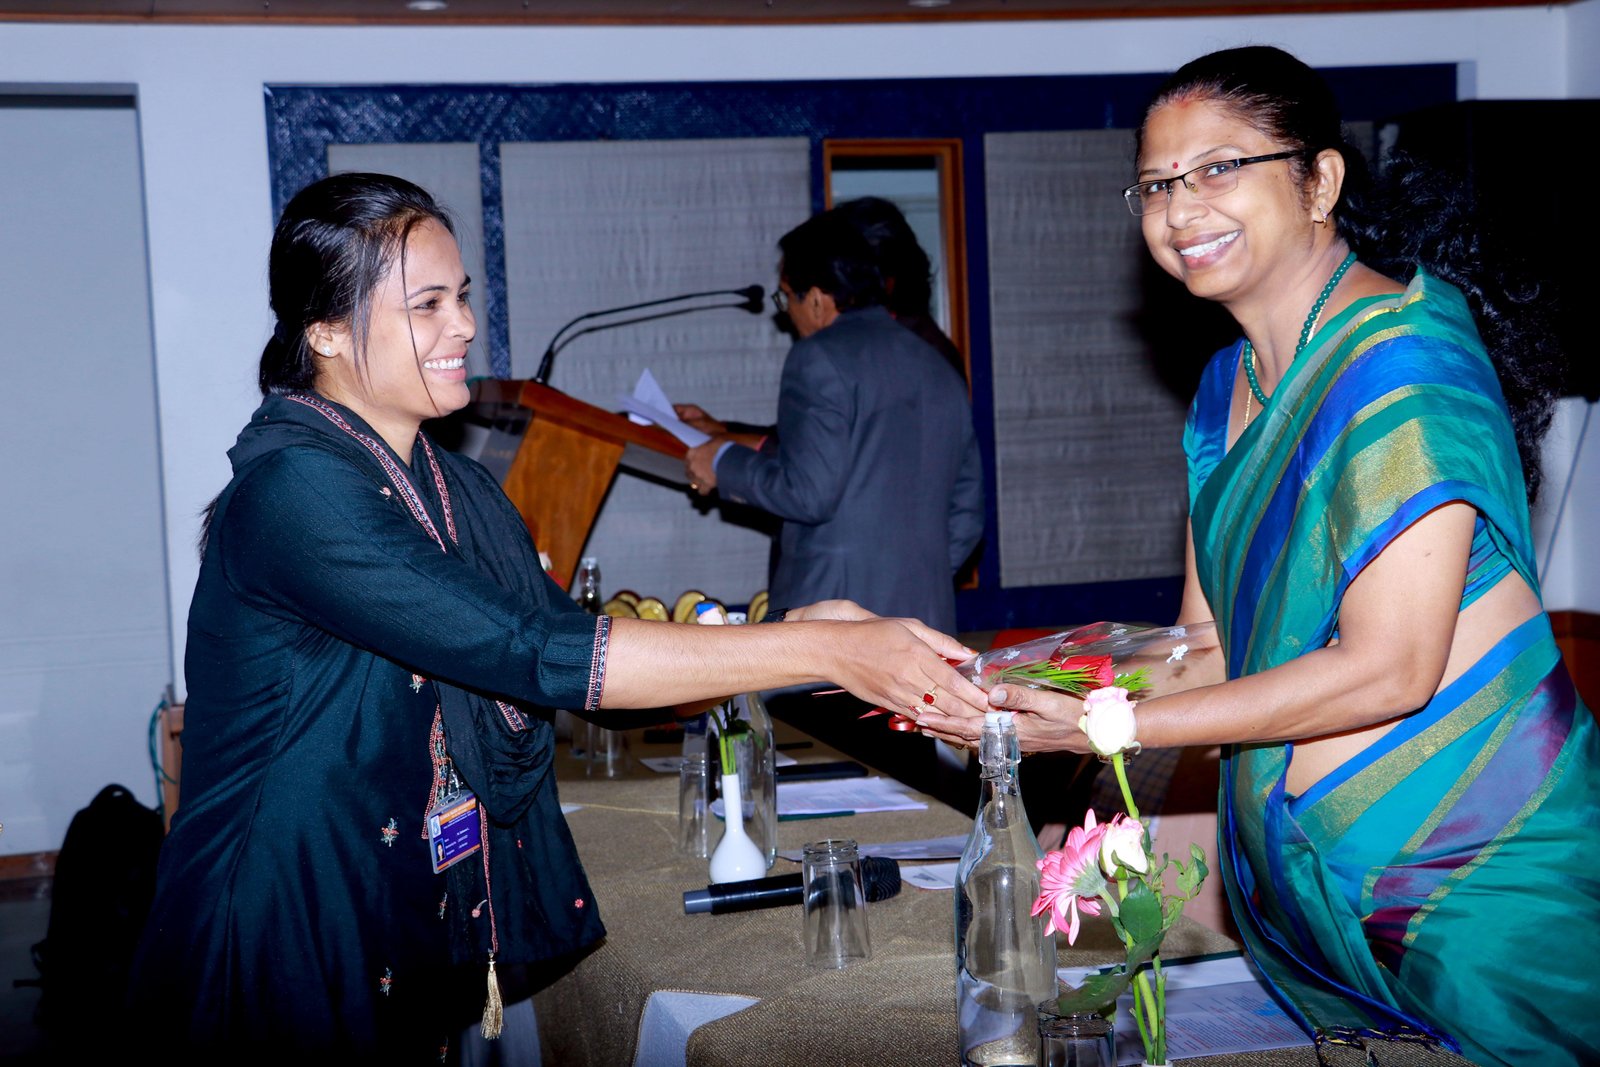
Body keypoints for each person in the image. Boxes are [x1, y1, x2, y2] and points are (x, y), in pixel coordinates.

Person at [128, 172, 989, 1059]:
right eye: (427, 305)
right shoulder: (296, 490)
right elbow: (537, 648)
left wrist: (799, 630)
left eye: (462, 296)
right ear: (325, 331)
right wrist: (822, 649)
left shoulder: (451, 485)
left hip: (393, 899)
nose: (465, 325)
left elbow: (567, 653)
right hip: (279, 923)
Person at [918, 47, 1599, 1066]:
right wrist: (1013, 688)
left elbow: (1390, 669)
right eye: (1157, 184)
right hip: (1312, 898)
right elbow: (1208, 648)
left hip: (1474, 881)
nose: (1179, 208)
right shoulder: (1222, 387)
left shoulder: (1400, 363)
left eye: (1219, 168)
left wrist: (1108, 725)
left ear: (1319, 180)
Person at [682, 206, 984, 635]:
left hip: (836, 624)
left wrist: (721, 462)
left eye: (786, 296)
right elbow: (968, 512)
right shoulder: (936, 362)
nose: (786, 312)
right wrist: (911, 575)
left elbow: (808, 493)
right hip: (926, 616)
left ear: (817, 298)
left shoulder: (818, 357)